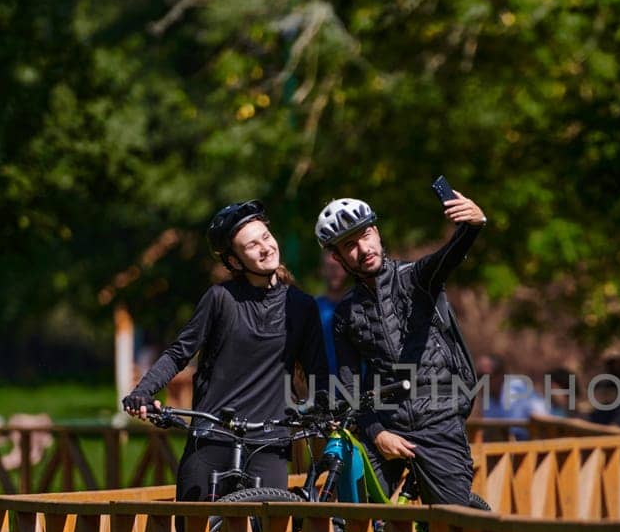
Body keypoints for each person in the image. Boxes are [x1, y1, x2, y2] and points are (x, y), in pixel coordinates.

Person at [122, 201, 328, 500]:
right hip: (212, 437)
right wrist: (143, 391)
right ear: (234, 260)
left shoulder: (302, 306)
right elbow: (180, 352)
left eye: (266, 237)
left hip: (268, 442)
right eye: (252, 245)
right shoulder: (221, 299)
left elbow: (317, 371)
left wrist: (328, 408)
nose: (266, 248)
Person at [317, 188, 486, 505]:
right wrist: (378, 432)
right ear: (337, 258)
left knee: (456, 528)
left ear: (377, 233)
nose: (363, 248)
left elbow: (447, 256)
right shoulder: (346, 312)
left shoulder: (416, 278)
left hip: (438, 419)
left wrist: (473, 225)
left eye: (365, 235)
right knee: (353, 512)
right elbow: (350, 384)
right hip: (386, 424)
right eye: (349, 245)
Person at [478, 353, 549, 439]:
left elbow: (542, 416)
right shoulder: (489, 397)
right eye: (479, 377)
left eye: (485, 376)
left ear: (501, 374)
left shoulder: (516, 388)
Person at [314, 247, 352, 375]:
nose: (335, 272)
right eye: (330, 267)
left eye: (338, 267)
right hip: (324, 385)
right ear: (321, 270)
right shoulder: (313, 309)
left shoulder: (359, 304)